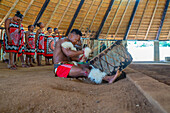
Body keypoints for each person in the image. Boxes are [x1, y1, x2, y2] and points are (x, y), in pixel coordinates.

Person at [53, 29, 121, 84]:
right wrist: (83, 51)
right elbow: (68, 53)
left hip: (69, 65)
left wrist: (81, 58)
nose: (77, 43)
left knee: (89, 66)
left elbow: (73, 57)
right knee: (84, 70)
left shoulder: (70, 44)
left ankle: (106, 76)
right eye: (76, 40)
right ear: (71, 35)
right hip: (60, 67)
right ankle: (108, 79)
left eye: (78, 41)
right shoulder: (63, 40)